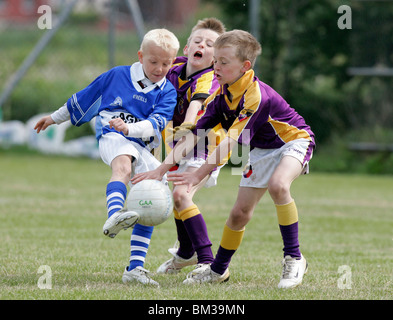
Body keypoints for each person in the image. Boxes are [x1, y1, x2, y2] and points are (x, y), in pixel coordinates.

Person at [143, 29, 316, 289]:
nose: (217, 66)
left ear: (245, 66)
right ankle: (218, 270)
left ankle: (294, 257)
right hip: (261, 151)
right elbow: (194, 135)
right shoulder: (221, 95)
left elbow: (229, 144)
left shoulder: (255, 96)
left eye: (224, 62)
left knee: (279, 185)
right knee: (238, 214)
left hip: (294, 141)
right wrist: (163, 168)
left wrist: (196, 174)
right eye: (216, 61)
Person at [34, 28, 180, 286]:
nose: (159, 68)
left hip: (141, 146)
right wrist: (54, 118)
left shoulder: (167, 91)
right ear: (140, 56)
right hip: (112, 135)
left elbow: (154, 125)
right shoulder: (117, 76)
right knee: (122, 166)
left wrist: (131, 129)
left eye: (166, 63)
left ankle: (134, 269)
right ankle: (115, 214)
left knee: (152, 196)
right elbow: (83, 98)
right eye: (153, 62)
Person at [113, 18, 226, 277]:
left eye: (210, 45)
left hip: (205, 146)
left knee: (181, 196)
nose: (202, 46)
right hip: (178, 145)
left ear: (217, 58)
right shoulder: (172, 66)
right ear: (186, 49)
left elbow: (194, 111)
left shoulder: (209, 79)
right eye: (197, 41)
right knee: (177, 199)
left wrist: (185, 125)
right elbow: (145, 76)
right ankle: (186, 253)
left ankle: (208, 263)